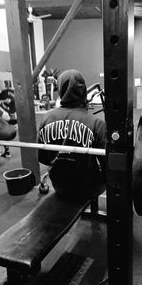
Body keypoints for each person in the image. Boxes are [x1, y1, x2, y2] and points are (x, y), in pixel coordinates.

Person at [38, 69, 106, 200]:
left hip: (59, 186)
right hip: (89, 188)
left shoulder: (46, 118)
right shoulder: (96, 122)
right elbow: (107, 162)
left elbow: (43, 158)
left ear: (60, 89)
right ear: (83, 89)